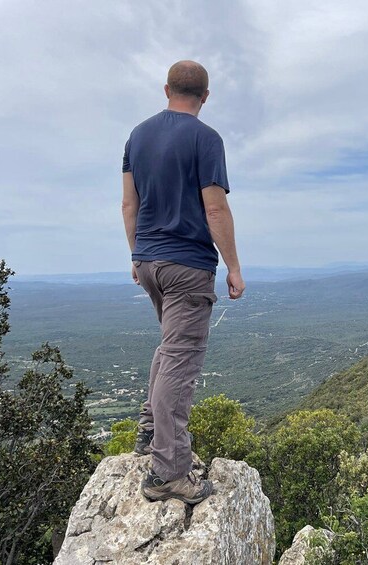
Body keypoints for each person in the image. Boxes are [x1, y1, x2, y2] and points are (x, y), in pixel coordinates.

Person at [121, 60, 245, 504]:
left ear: (166, 88)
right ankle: (168, 471)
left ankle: (151, 430)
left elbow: (128, 205)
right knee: (181, 358)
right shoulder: (206, 138)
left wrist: (137, 255)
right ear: (205, 97)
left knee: (169, 348)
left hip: (150, 262)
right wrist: (232, 266)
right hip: (188, 265)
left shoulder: (137, 136)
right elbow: (215, 210)